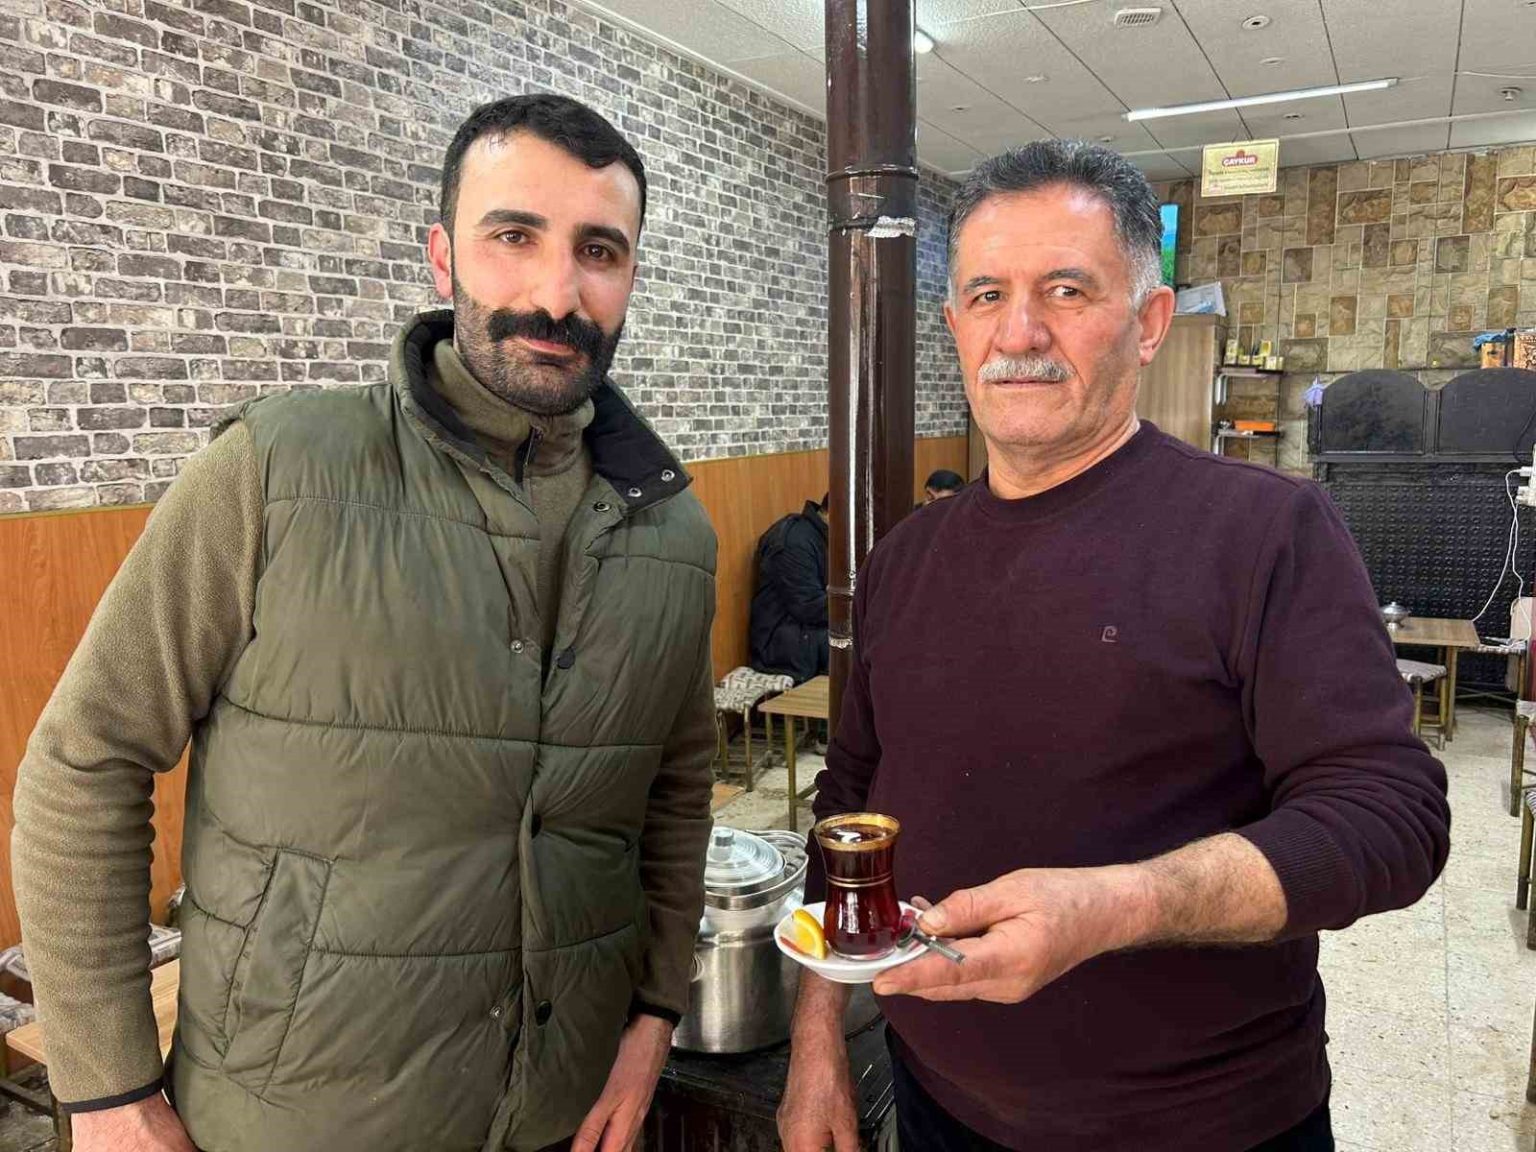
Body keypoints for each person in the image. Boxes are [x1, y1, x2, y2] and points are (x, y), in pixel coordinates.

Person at [13, 94, 718, 1152]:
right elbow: (85, 759)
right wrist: (108, 1089)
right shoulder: (277, 471)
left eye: (599, 251)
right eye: (513, 236)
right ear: (443, 257)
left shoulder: (672, 530)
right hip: (292, 1116)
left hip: (563, 1110)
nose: (556, 293)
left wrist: (655, 1014)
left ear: (630, 277)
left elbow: (675, 792)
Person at [777, 141, 1449, 1152]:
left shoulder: (1264, 532)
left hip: (1206, 1128)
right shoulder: (904, 559)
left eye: (1067, 290)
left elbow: (1391, 817)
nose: (1020, 333)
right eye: (988, 295)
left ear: (1148, 323)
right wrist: (819, 1036)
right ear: (955, 325)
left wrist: (1115, 906)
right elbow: (850, 803)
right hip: (936, 1104)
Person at [748, 494, 829, 684]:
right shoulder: (795, 542)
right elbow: (808, 608)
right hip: (781, 644)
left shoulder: (819, 536)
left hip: (801, 633)